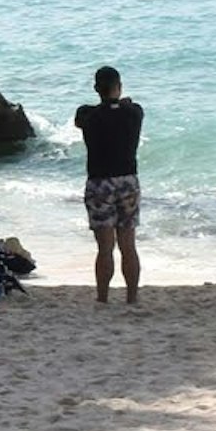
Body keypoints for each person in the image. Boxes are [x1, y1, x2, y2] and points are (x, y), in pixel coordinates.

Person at [74, 67, 145, 304]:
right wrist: (121, 103)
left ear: (96, 89)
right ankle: (132, 298)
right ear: (120, 86)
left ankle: (103, 298)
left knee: (105, 247)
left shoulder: (87, 115)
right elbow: (127, 106)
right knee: (128, 244)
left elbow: (81, 120)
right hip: (127, 181)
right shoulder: (134, 113)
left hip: (99, 182)